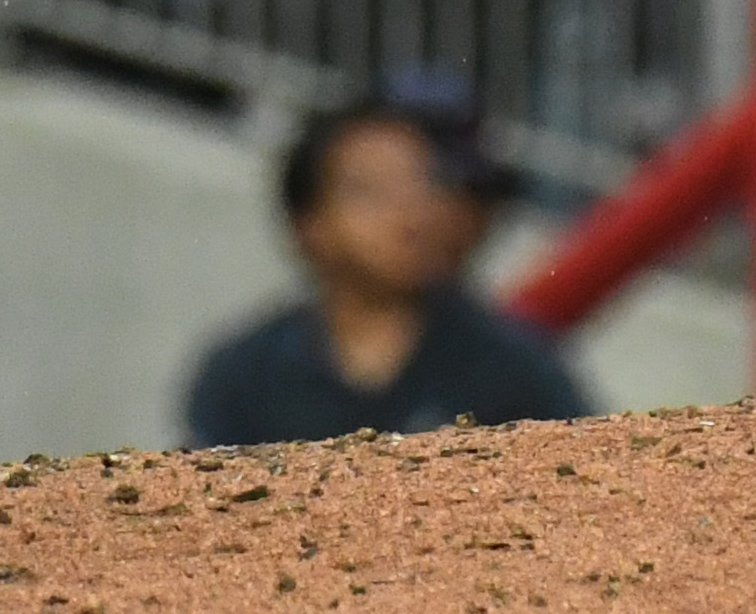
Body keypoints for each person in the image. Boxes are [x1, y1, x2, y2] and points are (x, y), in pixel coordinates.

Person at [179, 77, 590, 444]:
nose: (408, 212)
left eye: (424, 183)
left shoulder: (511, 364)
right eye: (371, 191)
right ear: (311, 224)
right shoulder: (245, 372)